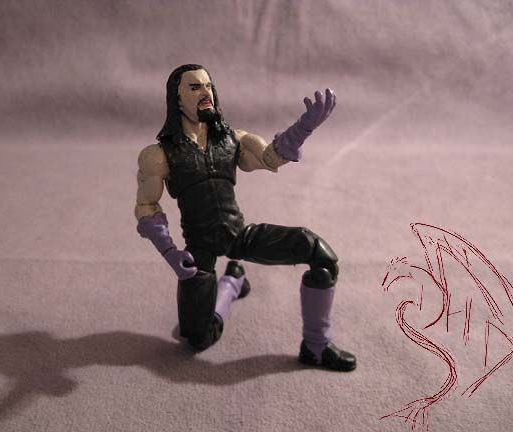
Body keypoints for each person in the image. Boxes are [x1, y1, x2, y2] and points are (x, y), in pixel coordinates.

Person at [135, 64, 356, 371]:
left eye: (208, 86)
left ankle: (316, 346)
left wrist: (303, 128)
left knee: (321, 255)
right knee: (198, 338)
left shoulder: (233, 139)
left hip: (239, 234)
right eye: (194, 87)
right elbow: (147, 207)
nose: (205, 93)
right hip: (199, 250)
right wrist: (171, 253)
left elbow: (270, 156)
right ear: (177, 99)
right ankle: (232, 283)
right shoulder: (158, 155)